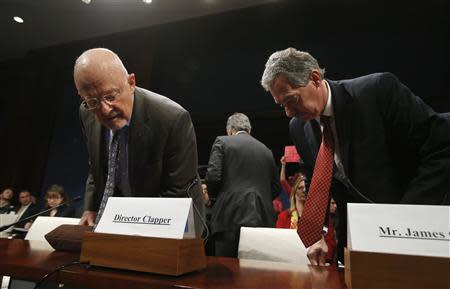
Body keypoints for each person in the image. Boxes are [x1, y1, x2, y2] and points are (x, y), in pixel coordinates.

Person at [261, 48, 450, 265]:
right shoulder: (299, 127)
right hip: (354, 242)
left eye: (292, 100)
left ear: (314, 78)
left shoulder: (378, 92)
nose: (289, 112)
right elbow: (318, 181)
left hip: (413, 235)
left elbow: (441, 147)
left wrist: (406, 217)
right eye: (282, 105)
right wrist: (318, 233)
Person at [73, 48, 204, 236]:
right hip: (120, 219)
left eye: (110, 96)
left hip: (172, 219)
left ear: (131, 82)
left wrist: (135, 229)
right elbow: (97, 166)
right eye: (92, 101)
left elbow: (178, 192)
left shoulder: (172, 118)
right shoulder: (86, 112)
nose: (104, 110)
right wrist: (91, 207)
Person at [205, 113, 280, 257]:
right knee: (255, 272)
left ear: (230, 130)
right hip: (262, 219)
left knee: (226, 271)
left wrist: (216, 200)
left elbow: (213, 177)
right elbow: (276, 188)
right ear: (249, 130)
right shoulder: (266, 151)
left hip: (229, 216)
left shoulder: (222, 141)